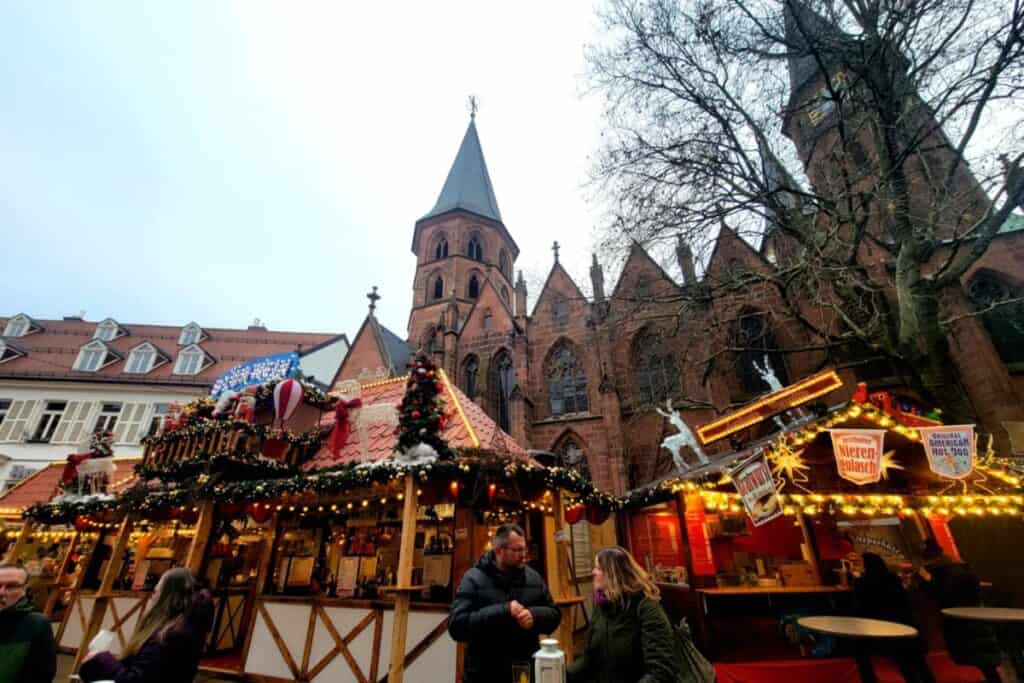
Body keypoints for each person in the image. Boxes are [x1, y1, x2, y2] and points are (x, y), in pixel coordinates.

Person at [449, 523, 561, 682]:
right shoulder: (473, 578)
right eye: (517, 550)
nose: (524, 555)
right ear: (499, 550)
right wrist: (503, 610)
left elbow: (555, 615)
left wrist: (534, 616)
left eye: (524, 549)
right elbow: (456, 626)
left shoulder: (534, 578)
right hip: (484, 674)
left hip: (523, 673)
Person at [568, 546, 683, 683]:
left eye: (598, 568)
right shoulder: (602, 607)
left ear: (614, 573)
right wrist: (561, 675)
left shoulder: (647, 608)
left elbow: (661, 671)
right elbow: (589, 658)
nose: (593, 572)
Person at [79, 567, 214, 683]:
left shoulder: (169, 637)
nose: (152, 597)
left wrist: (101, 658)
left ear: (167, 597)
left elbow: (136, 680)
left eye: (156, 591)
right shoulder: (182, 630)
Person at [917, 540, 1002, 682]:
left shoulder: (941, 572)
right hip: (975, 616)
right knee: (984, 657)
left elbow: (941, 593)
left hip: (960, 620)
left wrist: (926, 581)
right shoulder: (960, 567)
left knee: (978, 656)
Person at [853, 552, 935, 683]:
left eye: (860, 563)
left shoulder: (864, 582)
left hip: (883, 629)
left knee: (860, 651)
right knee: (916, 661)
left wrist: (856, 579)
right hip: (905, 624)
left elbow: (861, 604)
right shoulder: (893, 578)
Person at [0, 562, 57, 683]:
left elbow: (43, 675)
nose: (2, 592)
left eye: (12, 586)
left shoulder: (36, 624)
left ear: (24, 589)